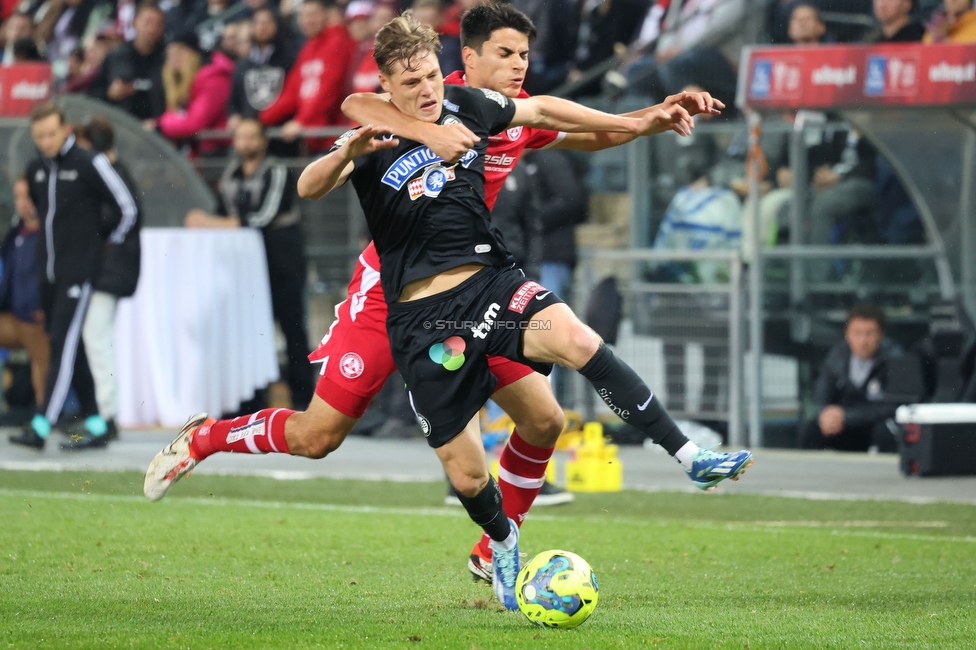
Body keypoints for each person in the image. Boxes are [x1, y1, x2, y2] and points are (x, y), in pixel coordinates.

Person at [143, 3, 740, 592]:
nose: (517, 66)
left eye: (525, 55)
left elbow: (567, 127)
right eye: (505, 54)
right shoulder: (424, 98)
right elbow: (359, 108)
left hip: (477, 282)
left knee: (544, 417)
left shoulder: (491, 112)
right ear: (469, 58)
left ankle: (494, 550)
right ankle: (205, 437)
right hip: (389, 294)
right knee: (317, 437)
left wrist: (643, 120)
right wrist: (417, 133)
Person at [9, 102, 137, 450]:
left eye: (51, 133)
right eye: (39, 136)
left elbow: (127, 207)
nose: (46, 141)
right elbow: (44, 216)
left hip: (79, 274)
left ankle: (41, 424)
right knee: (73, 348)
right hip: (49, 275)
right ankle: (95, 420)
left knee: (62, 346)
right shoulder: (37, 169)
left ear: (65, 129)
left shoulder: (88, 162)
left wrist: (104, 245)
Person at [183, 118, 314, 409]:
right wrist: (211, 222)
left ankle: (304, 401)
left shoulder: (276, 171)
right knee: (252, 335)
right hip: (246, 271)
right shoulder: (231, 174)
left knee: (293, 332)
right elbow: (220, 213)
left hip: (283, 265)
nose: (246, 143)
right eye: (240, 137)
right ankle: (251, 403)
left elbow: (262, 218)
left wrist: (212, 223)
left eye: (252, 137)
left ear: (263, 140)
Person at [64, 117, 142, 450]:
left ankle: (106, 416)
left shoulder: (109, 173)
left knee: (97, 339)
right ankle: (101, 413)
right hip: (109, 267)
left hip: (107, 269)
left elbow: (121, 216)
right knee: (95, 339)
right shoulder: (114, 170)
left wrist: (97, 244)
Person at [798, 303, 900, 453]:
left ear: (881, 335)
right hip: (841, 425)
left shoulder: (894, 360)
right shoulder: (837, 356)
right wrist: (825, 414)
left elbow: (891, 407)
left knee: (884, 432)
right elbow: (821, 396)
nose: (863, 341)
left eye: (869, 334)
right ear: (847, 334)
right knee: (812, 429)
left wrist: (847, 416)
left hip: (871, 425)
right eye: (857, 333)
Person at [258, 0, 355, 148]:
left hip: (335, 135)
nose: (307, 21)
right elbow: (292, 92)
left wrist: (302, 121)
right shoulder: (307, 48)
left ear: (326, 15)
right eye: (303, 16)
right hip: (312, 136)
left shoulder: (338, 41)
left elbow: (330, 89)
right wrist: (261, 119)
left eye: (312, 15)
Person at [0, 176, 49, 411]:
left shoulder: (50, 236)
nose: (22, 203)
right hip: (12, 316)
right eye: (18, 196)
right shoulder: (14, 235)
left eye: (27, 196)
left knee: (41, 360)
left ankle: (44, 415)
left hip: (39, 319)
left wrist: (44, 307)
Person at [90, 2, 167, 120]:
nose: (153, 29)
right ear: (134, 22)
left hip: (150, 128)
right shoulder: (117, 56)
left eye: (158, 24)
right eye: (148, 22)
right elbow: (94, 93)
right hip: (118, 120)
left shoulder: (167, 60)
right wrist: (109, 94)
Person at [226, 7, 295, 129]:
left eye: (267, 22)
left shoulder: (289, 60)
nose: (262, 27)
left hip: (280, 133)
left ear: (276, 26)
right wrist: (234, 115)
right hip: (249, 133)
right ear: (251, 28)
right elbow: (234, 101)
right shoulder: (242, 65)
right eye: (257, 23)